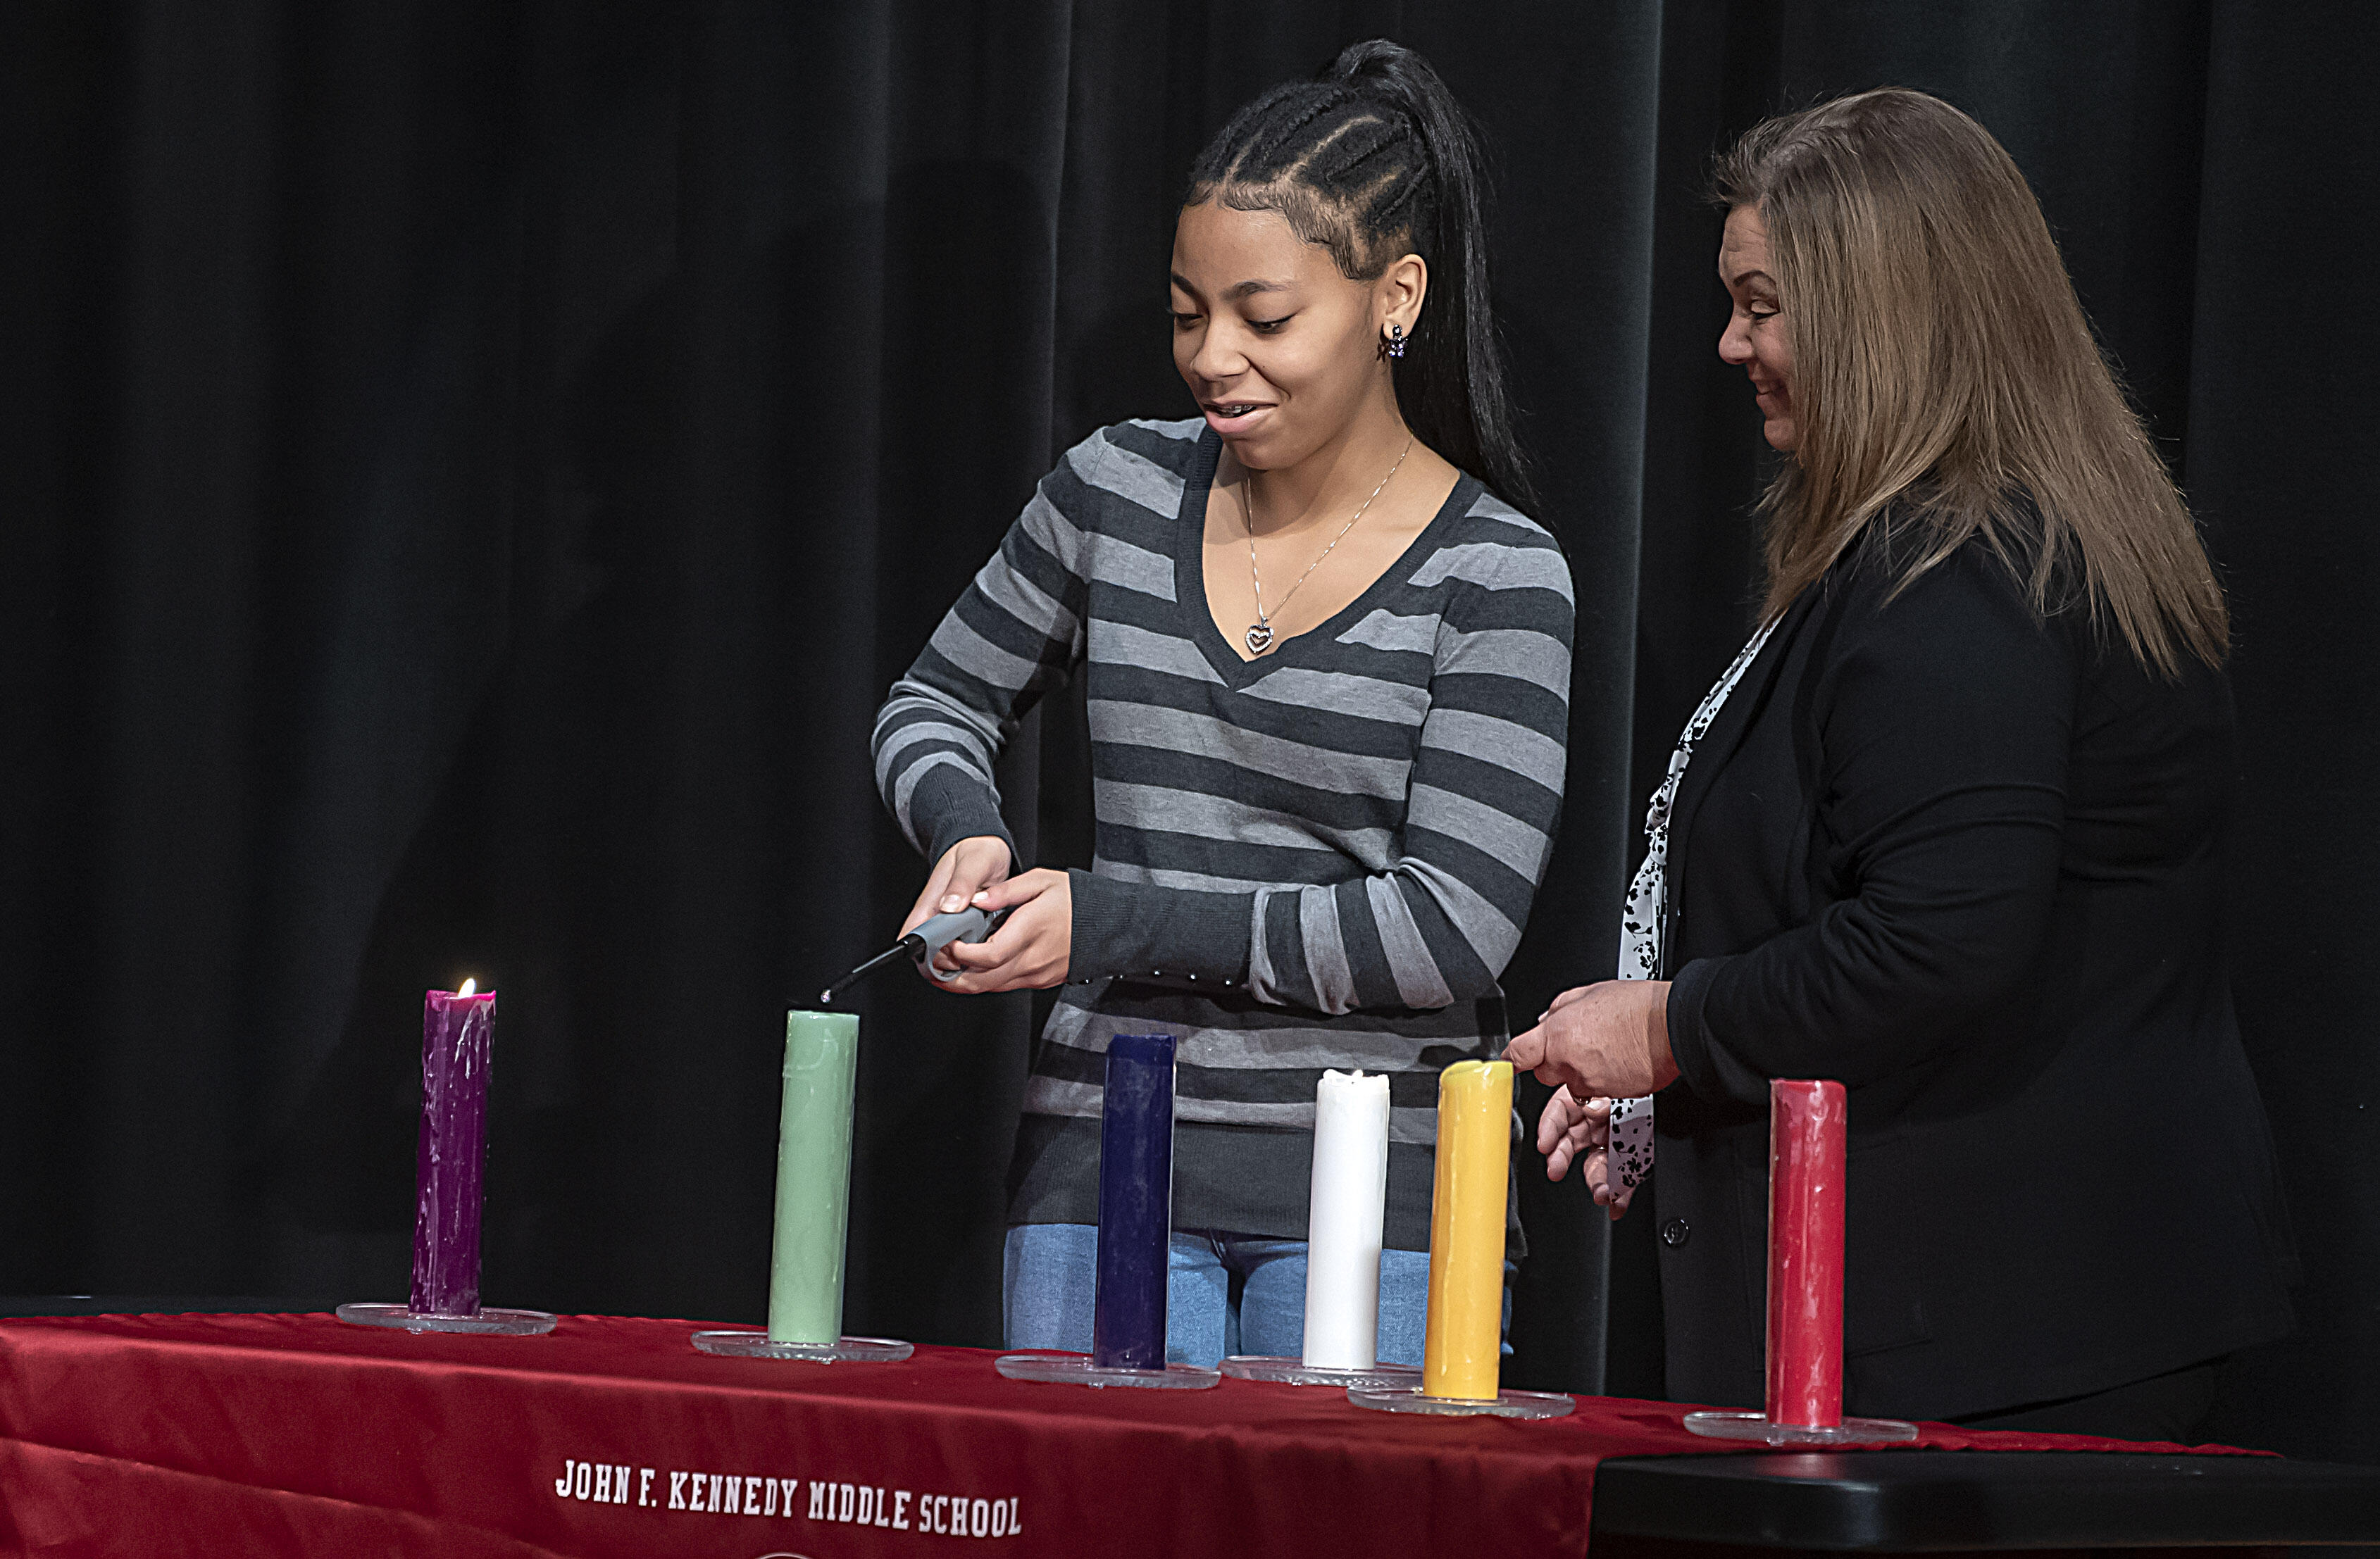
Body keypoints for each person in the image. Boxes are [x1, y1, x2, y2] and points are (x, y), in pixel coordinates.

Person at [1508, 87, 2295, 1440]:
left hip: (2006, 1344)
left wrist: (1669, 1029)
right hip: (2012, 1316)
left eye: (1762, 306)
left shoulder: (1962, 575)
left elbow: (1940, 938)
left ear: (1877, 317)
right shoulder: (1979, 545)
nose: (1731, 344)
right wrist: (1677, 1064)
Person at [870, 41, 1574, 1369]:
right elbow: (934, 699)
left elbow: (1450, 927)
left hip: (1381, 1201)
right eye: (1188, 313)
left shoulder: (1498, 572)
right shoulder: (1115, 493)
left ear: (1395, 297)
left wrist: (1113, 919)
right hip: (1103, 1166)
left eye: (1265, 317)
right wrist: (966, 827)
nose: (1213, 356)